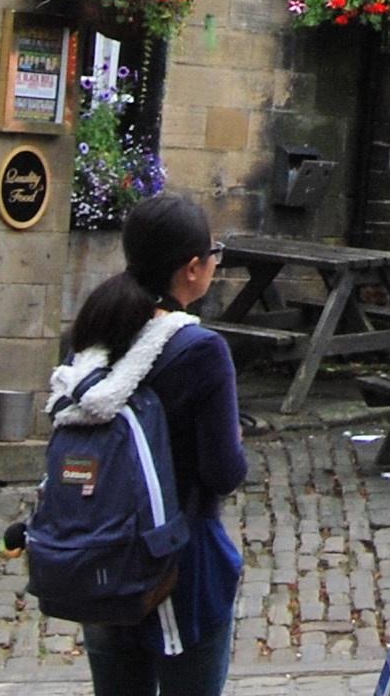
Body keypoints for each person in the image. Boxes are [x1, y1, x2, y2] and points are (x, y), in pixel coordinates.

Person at [50, 191, 246, 694]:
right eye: (213, 255)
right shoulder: (201, 351)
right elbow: (225, 472)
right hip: (179, 565)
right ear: (192, 268)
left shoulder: (93, 334)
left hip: (100, 557)